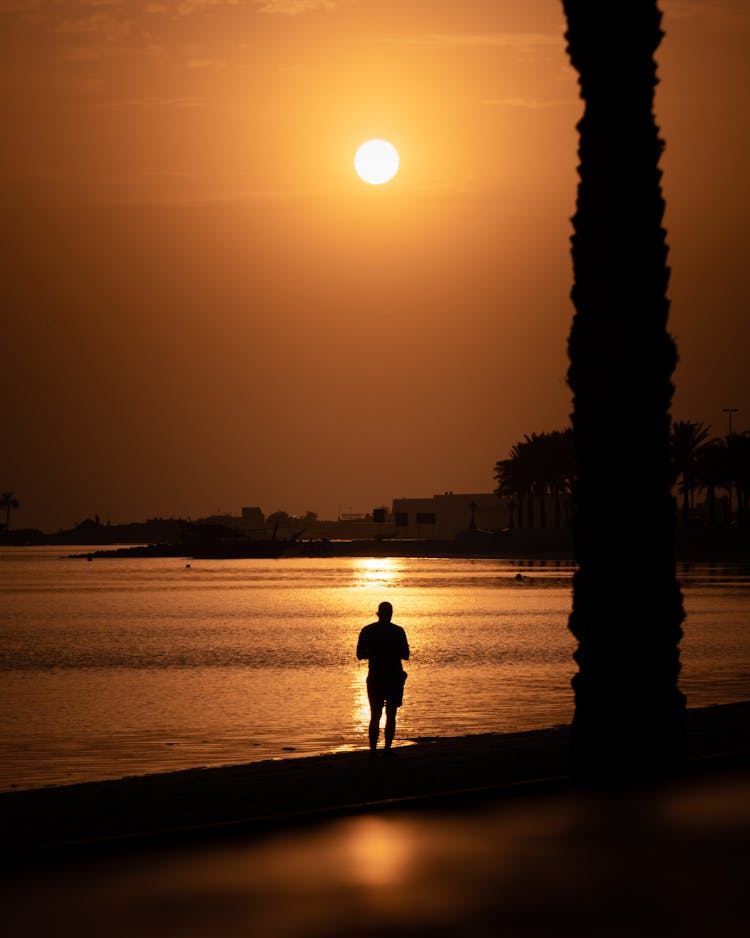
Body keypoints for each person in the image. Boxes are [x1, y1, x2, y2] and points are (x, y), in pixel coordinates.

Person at [356, 600, 410, 757]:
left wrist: (375, 652)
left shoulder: (367, 630)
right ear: (391, 614)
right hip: (393, 676)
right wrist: (390, 651)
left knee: (375, 714)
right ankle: (387, 749)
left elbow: (360, 655)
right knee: (390, 714)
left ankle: (373, 751)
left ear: (378, 613)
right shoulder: (398, 631)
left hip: (376, 676)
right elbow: (405, 655)